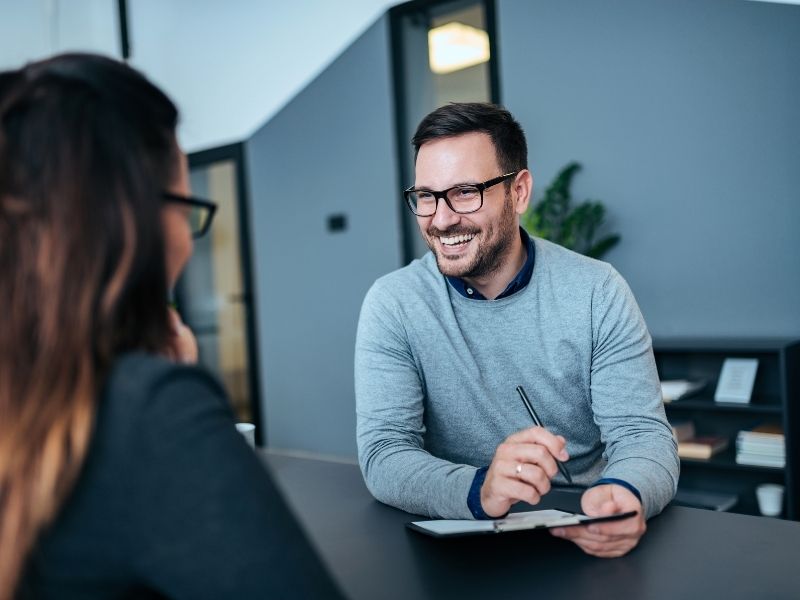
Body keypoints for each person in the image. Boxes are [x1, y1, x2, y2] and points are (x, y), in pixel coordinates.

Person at [0, 54, 341, 599]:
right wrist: (169, 395)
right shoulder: (149, 416)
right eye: (185, 207)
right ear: (131, 220)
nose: (187, 239)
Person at [355, 102, 679, 558]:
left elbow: (643, 436)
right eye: (427, 196)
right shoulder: (394, 303)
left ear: (519, 191)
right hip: (457, 544)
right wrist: (481, 489)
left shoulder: (596, 290)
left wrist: (625, 492)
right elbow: (385, 454)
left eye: (465, 191)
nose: (442, 218)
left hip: (581, 533)